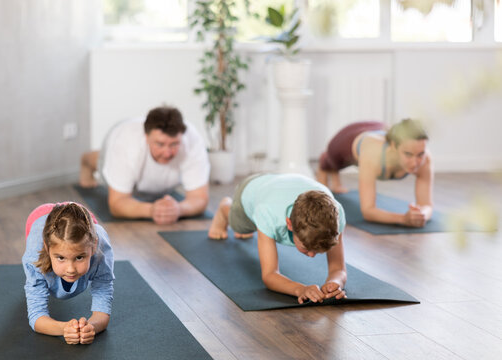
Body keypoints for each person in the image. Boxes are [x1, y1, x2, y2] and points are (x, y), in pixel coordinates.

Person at [208, 173, 347, 304]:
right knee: (241, 228)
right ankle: (224, 207)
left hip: (281, 184)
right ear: (289, 224)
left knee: (258, 229)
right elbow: (269, 275)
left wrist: (335, 283)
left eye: (318, 250)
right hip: (252, 188)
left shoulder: (334, 217)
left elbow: (338, 269)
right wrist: (301, 289)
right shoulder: (269, 214)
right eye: (306, 248)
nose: (311, 255)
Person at [80, 106, 210, 225]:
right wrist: (152, 210)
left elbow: (199, 199)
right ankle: (85, 159)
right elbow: (116, 204)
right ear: (146, 137)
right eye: (160, 144)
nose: (167, 153)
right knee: (102, 165)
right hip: (120, 136)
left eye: (174, 144)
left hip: (151, 178)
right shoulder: (126, 143)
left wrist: (179, 209)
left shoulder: (192, 141)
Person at [22, 202, 114, 345]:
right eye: (61, 258)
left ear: (94, 246)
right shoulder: (34, 254)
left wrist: (90, 328)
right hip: (39, 216)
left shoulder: (101, 247)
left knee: (77, 230)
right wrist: (65, 328)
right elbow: (36, 316)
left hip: (78, 212)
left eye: (79, 257)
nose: (70, 269)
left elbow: (103, 302)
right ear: (47, 248)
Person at [316, 119, 433, 228]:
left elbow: (427, 205)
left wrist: (422, 214)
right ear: (393, 146)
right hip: (348, 138)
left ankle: (336, 181)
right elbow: (368, 211)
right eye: (408, 154)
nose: (415, 162)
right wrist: (403, 219)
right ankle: (325, 163)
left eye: (420, 154)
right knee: (330, 163)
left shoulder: (425, 158)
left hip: (379, 129)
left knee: (335, 183)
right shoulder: (373, 154)